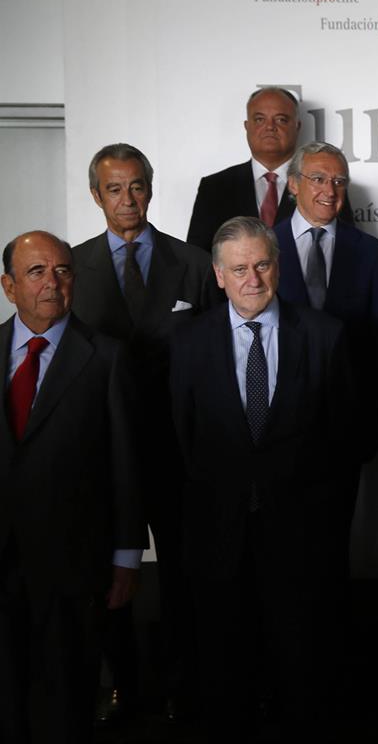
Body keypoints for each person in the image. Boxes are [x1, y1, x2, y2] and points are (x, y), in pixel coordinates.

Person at [170, 216, 354, 743]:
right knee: (224, 677)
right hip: (217, 535)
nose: (252, 277)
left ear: (277, 266)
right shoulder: (187, 342)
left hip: (300, 538)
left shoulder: (325, 335)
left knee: (301, 676)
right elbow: (183, 437)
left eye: (262, 264)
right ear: (218, 275)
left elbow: (343, 440)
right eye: (239, 268)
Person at [71, 142, 218, 721]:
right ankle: (123, 688)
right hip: (102, 453)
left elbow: (213, 361)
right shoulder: (71, 268)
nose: (127, 198)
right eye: (114, 188)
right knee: (109, 577)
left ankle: (184, 686)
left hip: (179, 449)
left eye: (136, 186)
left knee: (186, 574)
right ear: (96, 195)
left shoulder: (195, 262)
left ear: (150, 189)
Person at [0, 231, 145, 743]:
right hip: (3, 560)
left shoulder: (106, 357)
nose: (53, 282)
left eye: (63, 270)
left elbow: (127, 464)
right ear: (9, 286)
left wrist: (127, 556)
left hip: (73, 563)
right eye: (37, 272)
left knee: (65, 702)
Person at [274, 142, 378, 519]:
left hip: (345, 429)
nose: (330, 191)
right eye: (318, 179)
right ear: (293, 185)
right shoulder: (261, 246)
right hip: (275, 429)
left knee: (333, 544)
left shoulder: (370, 251)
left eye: (339, 181)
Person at [187, 86, 353, 252]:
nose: (270, 127)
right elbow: (197, 259)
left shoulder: (330, 185)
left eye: (281, 119)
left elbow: (348, 251)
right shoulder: (215, 187)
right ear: (247, 126)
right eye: (260, 119)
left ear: (297, 126)